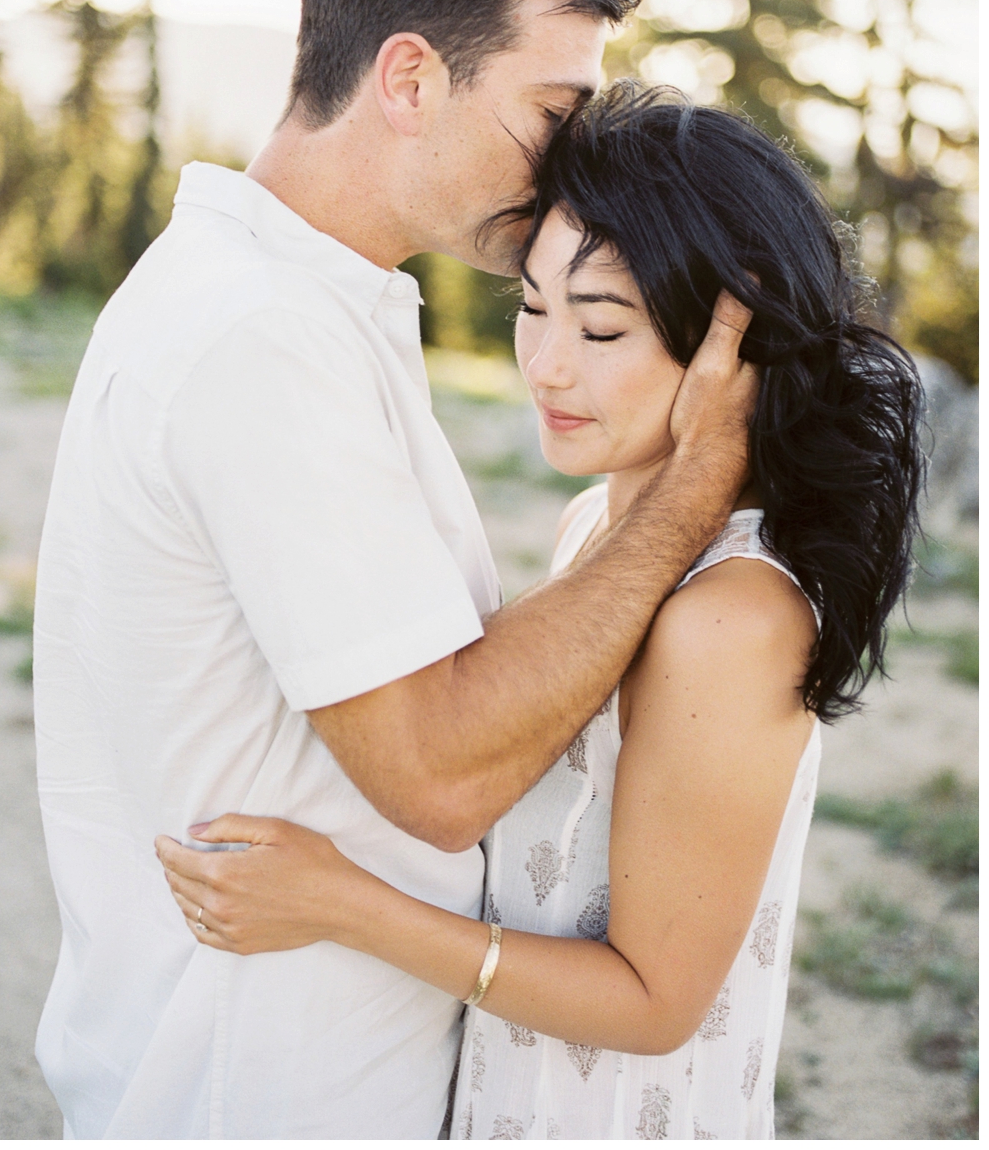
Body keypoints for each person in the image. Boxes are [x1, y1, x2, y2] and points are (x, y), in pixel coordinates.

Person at [30, 0, 760, 1138]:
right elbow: (434, 771)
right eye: (550, 109)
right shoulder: (258, 337)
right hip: (261, 1086)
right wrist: (689, 494)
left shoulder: (291, 300)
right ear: (410, 78)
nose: (566, 163)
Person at [157, 84, 924, 1139]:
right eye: (530, 308)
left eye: (599, 325)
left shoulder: (730, 618)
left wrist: (339, 905)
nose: (546, 365)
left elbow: (656, 1003)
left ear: (727, 342)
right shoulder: (590, 531)